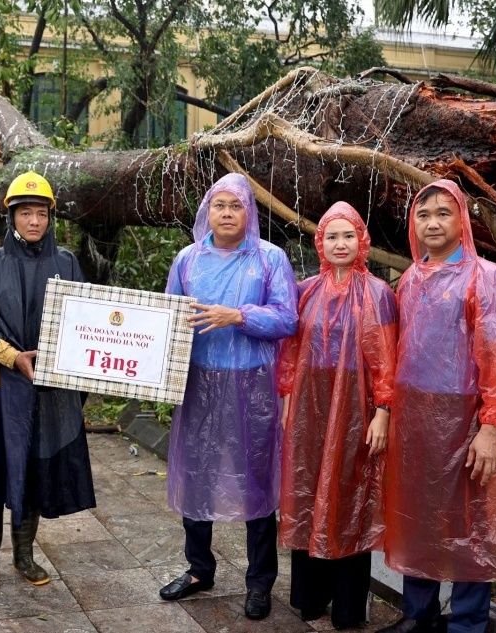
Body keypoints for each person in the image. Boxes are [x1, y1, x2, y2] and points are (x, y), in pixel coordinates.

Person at [378, 179, 496, 633]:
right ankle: (419, 614)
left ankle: (467, 621)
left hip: (467, 419)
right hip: (416, 420)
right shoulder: (410, 279)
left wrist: (492, 426)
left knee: (472, 521)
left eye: (443, 213)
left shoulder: (488, 280)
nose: (432, 222)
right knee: (417, 514)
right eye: (423, 214)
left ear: (461, 219)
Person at [159, 173, 297, 620]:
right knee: (195, 472)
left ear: (249, 212)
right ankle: (199, 569)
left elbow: (287, 319)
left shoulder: (270, 259)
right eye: (219, 205)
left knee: (257, 479)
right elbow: (167, 318)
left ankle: (260, 582)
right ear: (207, 211)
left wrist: (238, 315)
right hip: (198, 383)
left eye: (235, 206)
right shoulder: (187, 259)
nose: (226, 213)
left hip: (252, 385)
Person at [0, 170, 96, 593]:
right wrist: (12, 357)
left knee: (37, 470)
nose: (34, 221)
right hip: (2, 388)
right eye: (26, 213)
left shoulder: (67, 263)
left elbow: (85, 322)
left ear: (50, 218)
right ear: (11, 217)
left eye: (41, 213)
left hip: (49, 390)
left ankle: (24, 555)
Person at [277, 203, 397, 629]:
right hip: (311, 407)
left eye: (348, 236)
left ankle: (348, 604)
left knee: (350, 495)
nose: (340, 244)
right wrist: (288, 395)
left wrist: (382, 410)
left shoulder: (379, 293)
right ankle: (310, 596)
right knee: (308, 488)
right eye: (332, 236)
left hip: (355, 410)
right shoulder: (306, 290)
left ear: (361, 240)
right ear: (320, 242)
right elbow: (290, 351)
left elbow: (386, 358)